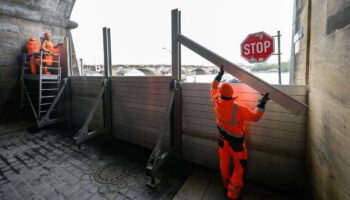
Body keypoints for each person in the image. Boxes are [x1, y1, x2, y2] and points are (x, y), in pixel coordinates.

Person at [210, 65, 270, 199]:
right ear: (231, 94)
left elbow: (213, 88)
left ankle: (225, 185)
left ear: (221, 93)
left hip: (222, 141)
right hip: (236, 145)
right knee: (239, 167)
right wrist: (262, 103)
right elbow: (255, 117)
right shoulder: (238, 108)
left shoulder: (216, 101)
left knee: (224, 164)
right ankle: (232, 193)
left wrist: (219, 76)